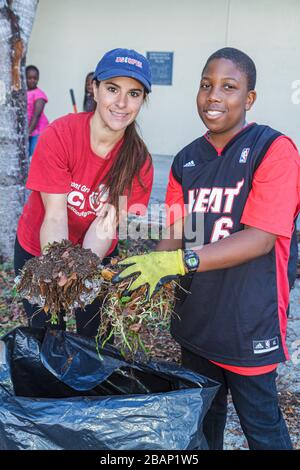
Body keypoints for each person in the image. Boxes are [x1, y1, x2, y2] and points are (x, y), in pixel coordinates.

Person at [114, 47, 300, 450]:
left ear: (249, 99)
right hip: (195, 319)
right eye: (205, 85)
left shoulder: (274, 150)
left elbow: (260, 238)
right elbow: (178, 233)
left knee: (262, 427)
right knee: (203, 424)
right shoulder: (186, 160)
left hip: (248, 319)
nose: (214, 95)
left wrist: (176, 261)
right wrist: (146, 274)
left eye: (228, 87)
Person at [15, 48, 154, 338]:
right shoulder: (60, 134)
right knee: (48, 334)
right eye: (112, 89)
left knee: (95, 335)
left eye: (134, 93)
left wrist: (81, 268)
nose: (121, 103)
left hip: (95, 252)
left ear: (143, 100)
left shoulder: (138, 161)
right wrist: (57, 265)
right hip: (41, 246)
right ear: (95, 88)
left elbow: (105, 225)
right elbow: (54, 217)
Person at [26, 65, 49, 157]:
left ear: (38, 79)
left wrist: (28, 132)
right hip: (29, 129)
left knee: (34, 154)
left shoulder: (39, 95)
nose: (32, 80)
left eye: (34, 78)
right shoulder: (23, 92)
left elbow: (37, 115)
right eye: (29, 78)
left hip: (39, 130)